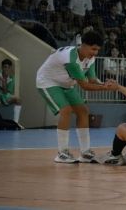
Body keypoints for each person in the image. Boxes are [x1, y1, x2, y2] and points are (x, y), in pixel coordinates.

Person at [36, 31, 116, 164]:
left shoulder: (90, 58)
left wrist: (104, 83)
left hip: (66, 83)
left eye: (97, 50)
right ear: (83, 45)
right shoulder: (71, 59)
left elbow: (91, 80)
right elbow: (85, 86)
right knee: (66, 111)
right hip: (48, 82)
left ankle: (85, 153)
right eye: (93, 49)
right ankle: (62, 153)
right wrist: (105, 88)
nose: (95, 52)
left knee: (83, 111)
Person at [0, 59, 22, 124]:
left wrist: (4, 83)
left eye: (8, 67)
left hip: (4, 96)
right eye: (5, 67)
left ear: (10, 68)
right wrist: (0, 78)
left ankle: (16, 123)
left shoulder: (11, 78)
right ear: (2, 67)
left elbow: (6, 92)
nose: (6, 69)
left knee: (18, 100)